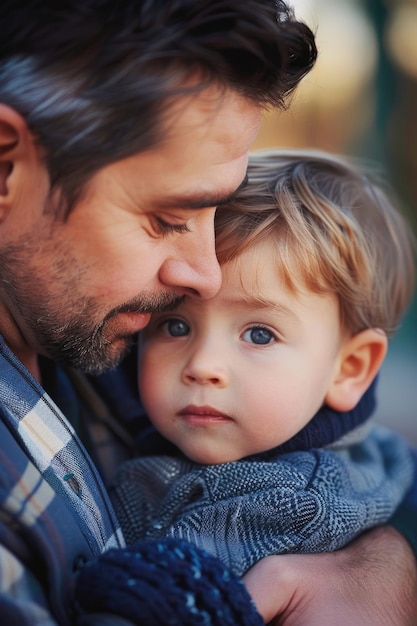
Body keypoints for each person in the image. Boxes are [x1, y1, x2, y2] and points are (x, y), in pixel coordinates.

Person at [0, 1, 415, 625]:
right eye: (167, 219)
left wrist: (378, 567)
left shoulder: (95, 325)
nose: (204, 274)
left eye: (212, 218)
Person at [106, 149, 414, 579]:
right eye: (175, 326)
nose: (203, 366)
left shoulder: (288, 500)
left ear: (349, 369)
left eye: (259, 335)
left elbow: (167, 600)